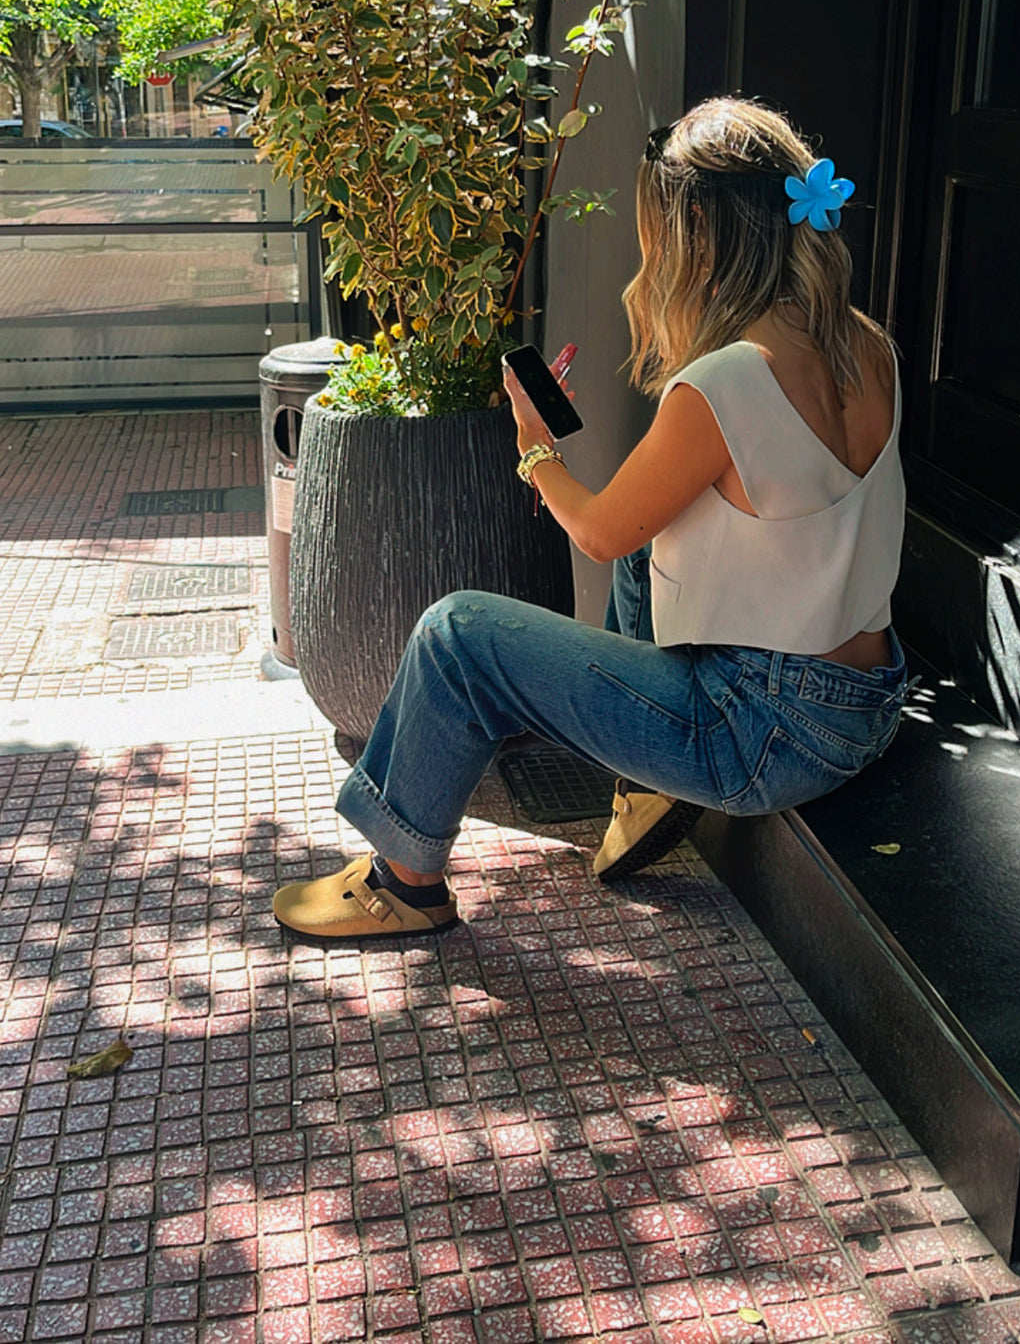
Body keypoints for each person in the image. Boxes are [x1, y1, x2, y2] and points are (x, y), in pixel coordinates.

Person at [273, 98, 909, 942]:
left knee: (456, 637)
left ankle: (404, 882)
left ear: (697, 232)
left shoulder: (724, 383)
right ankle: (646, 786)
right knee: (650, 553)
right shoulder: (866, 346)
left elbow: (600, 532)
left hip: (758, 734)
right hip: (866, 702)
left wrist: (535, 450)